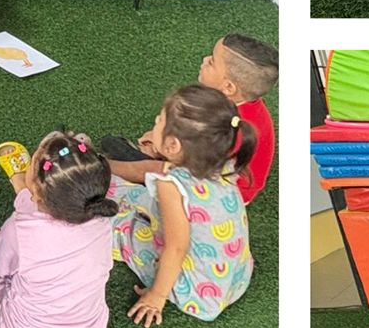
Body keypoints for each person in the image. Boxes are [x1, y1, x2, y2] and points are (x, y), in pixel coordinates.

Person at [109, 85, 254, 326]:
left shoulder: (171, 185)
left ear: (173, 145)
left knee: (120, 229)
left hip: (198, 291)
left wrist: (156, 296)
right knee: (140, 197)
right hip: (234, 278)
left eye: (159, 120)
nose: (155, 123)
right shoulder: (221, 163)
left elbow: (176, 249)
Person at [101, 33, 278, 207]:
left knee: (119, 149)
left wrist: (160, 148)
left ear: (228, 87)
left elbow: (188, 163)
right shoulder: (236, 107)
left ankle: (100, 167)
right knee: (120, 148)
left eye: (212, 62)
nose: (204, 59)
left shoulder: (220, 121)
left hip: (217, 192)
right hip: (221, 178)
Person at [0, 129, 117, 328]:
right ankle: (22, 188)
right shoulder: (102, 219)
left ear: (38, 191)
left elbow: (0, 266)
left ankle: (7, 194)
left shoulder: (20, 229)